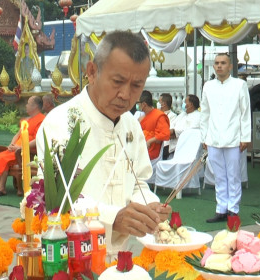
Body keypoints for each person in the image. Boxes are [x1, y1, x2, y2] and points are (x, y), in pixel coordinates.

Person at [36, 31, 172, 260]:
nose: (125, 95)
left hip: (120, 259)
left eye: (137, 85)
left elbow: (139, 183)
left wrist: (151, 208)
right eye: (118, 82)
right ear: (92, 72)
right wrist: (113, 217)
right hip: (69, 258)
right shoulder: (61, 123)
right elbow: (56, 199)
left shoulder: (131, 125)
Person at [200, 53, 251, 223]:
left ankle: (233, 209)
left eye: (223, 63)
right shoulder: (208, 86)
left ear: (230, 66)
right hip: (213, 137)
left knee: (233, 175)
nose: (219, 66)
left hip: (233, 137)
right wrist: (204, 137)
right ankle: (221, 208)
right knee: (219, 176)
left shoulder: (239, 85)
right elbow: (205, 113)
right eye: (216, 63)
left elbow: (245, 113)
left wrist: (246, 137)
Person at [0, 96, 45, 197]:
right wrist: (12, 145)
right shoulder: (28, 120)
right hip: (15, 149)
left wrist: (21, 148)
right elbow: (18, 134)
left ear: (35, 106)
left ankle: (1, 187)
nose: (26, 105)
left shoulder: (42, 120)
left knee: (3, 159)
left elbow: (38, 139)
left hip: (25, 152)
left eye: (28, 103)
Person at [138, 90, 170, 160]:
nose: (138, 105)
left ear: (143, 104)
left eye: (138, 103)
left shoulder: (159, 116)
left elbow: (165, 134)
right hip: (140, 150)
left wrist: (150, 141)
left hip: (151, 154)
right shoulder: (141, 117)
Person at [168, 94, 201, 159]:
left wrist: (174, 132)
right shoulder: (183, 114)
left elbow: (189, 131)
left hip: (186, 150)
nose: (183, 104)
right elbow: (173, 124)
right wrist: (172, 132)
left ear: (191, 104)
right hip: (174, 147)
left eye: (185, 102)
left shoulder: (198, 116)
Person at [157, 93, 177, 159]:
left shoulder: (172, 116)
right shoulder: (156, 114)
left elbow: (170, 132)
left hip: (165, 145)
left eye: (159, 101)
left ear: (164, 103)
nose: (158, 103)